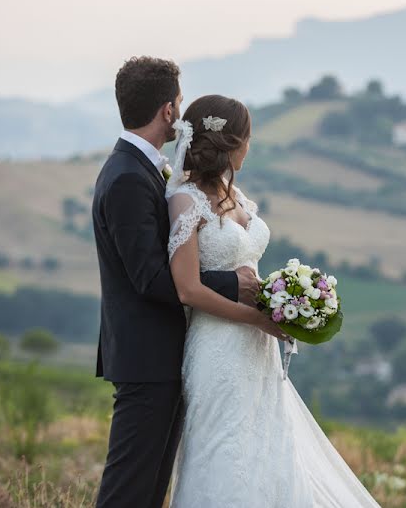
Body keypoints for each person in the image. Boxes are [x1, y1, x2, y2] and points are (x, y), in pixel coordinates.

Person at [165, 94, 380, 507]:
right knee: (224, 453)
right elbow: (187, 289)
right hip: (218, 348)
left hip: (257, 350)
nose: (251, 147)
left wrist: (286, 299)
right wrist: (256, 319)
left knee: (267, 451)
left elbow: (246, 270)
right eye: (249, 138)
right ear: (233, 143)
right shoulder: (185, 201)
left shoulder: (237, 195)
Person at [92, 56, 288, 508]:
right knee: (128, 492)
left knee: (151, 489)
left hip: (171, 354)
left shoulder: (148, 171)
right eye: (178, 103)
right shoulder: (126, 177)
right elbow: (152, 280)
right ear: (167, 110)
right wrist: (235, 286)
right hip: (145, 358)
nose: (180, 115)